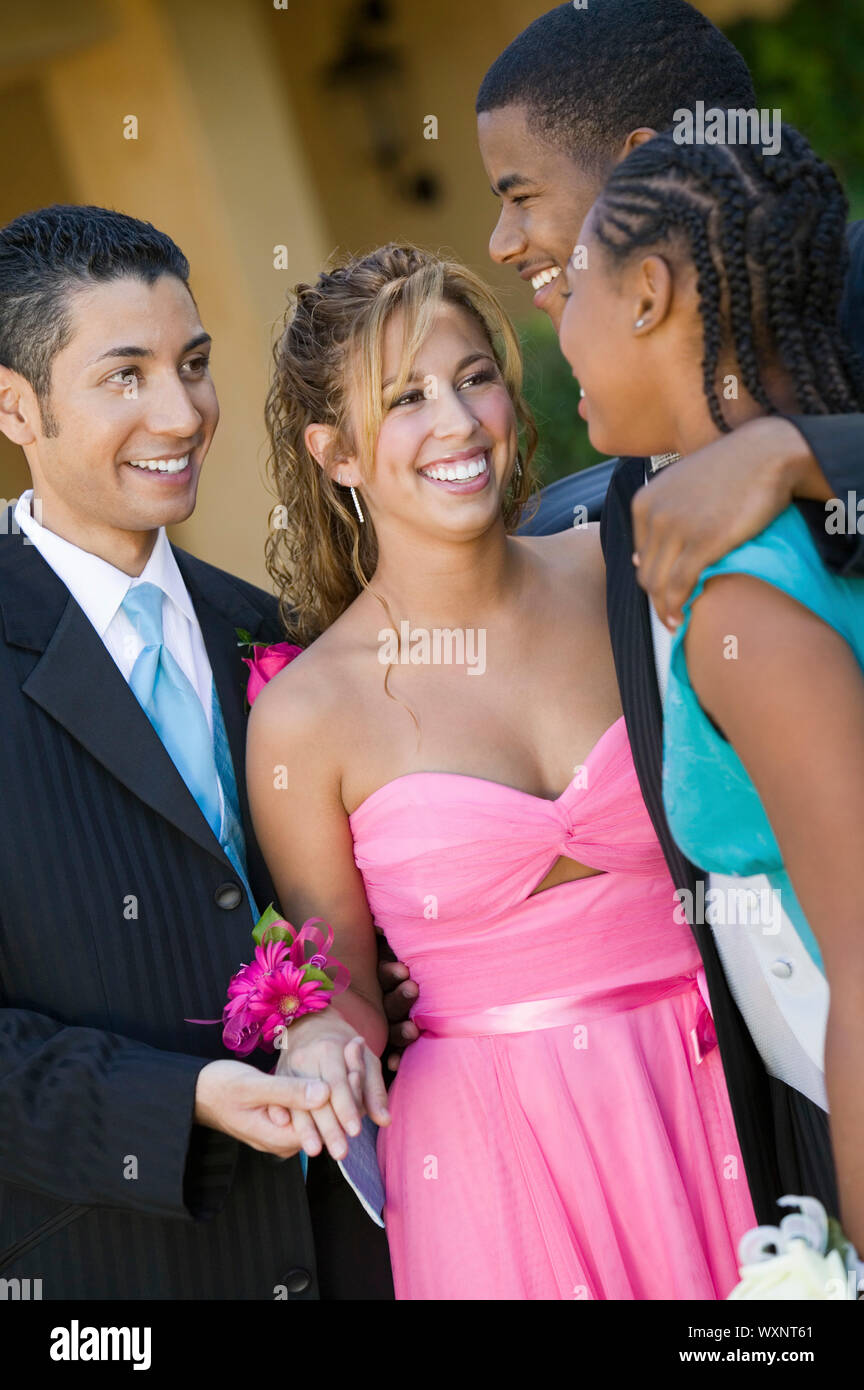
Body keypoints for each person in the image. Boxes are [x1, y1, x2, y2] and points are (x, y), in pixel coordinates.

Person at [382, 0, 864, 1226]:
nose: (500, 239)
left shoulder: (818, 317)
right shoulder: (634, 440)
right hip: (782, 1099)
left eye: (519, 192)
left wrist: (806, 455)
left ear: (647, 161)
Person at [246, 242, 757, 1299]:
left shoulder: (627, 566)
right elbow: (339, 989)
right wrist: (314, 1042)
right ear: (335, 451)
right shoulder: (307, 715)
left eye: (474, 378)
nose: (456, 423)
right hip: (492, 1154)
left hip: (722, 1078)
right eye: (404, 400)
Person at [0, 204, 393, 1299]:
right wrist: (180, 1103)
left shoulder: (281, 634)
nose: (181, 412)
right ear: (13, 403)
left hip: (354, 1252)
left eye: (196, 363)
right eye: (123, 375)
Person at [557, 123, 864, 1252]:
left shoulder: (749, 607)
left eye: (574, 289)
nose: (561, 325)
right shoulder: (802, 534)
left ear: (647, 293)